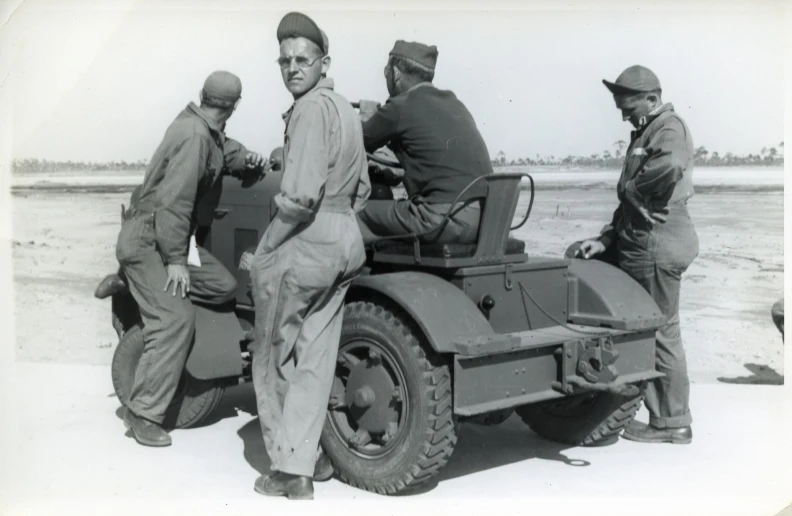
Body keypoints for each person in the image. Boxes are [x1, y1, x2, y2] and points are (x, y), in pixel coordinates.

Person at [249, 12, 369, 500]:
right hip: (345, 239)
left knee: (273, 355)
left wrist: (268, 247)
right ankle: (306, 459)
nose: (293, 68)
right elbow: (362, 188)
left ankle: (289, 467)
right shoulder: (345, 108)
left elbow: (297, 198)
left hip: (307, 236)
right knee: (315, 358)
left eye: (303, 59)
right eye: (285, 60)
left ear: (324, 61)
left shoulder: (308, 110)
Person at [116, 71, 265, 447]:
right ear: (235, 106)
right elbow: (173, 205)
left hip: (169, 238)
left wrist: (248, 159)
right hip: (149, 240)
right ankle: (143, 412)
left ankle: (169, 315)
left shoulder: (204, 130)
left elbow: (225, 151)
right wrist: (177, 260)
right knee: (175, 319)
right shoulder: (194, 136)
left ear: (204, 95)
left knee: (223, 285)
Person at [570, 65, 699, 445]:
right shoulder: (649, 129)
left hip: (656, 241)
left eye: (628, 108)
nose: (624, 115)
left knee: (660, 330)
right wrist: (607, 239)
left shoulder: (668, 127)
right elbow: (629, 204)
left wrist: (635, 187)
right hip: (640, 238)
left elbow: (669, 167)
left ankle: (672, 422)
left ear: (652, 100)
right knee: (581, 263)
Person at [356, 40, 493, 245]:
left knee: (354, 212)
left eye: (386, 70)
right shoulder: (455, 104)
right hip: (485, 221)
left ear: (396, 73)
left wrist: (366, 118)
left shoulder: (401, 106)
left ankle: (356, 274)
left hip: (441, 220)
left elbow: (355, 142)